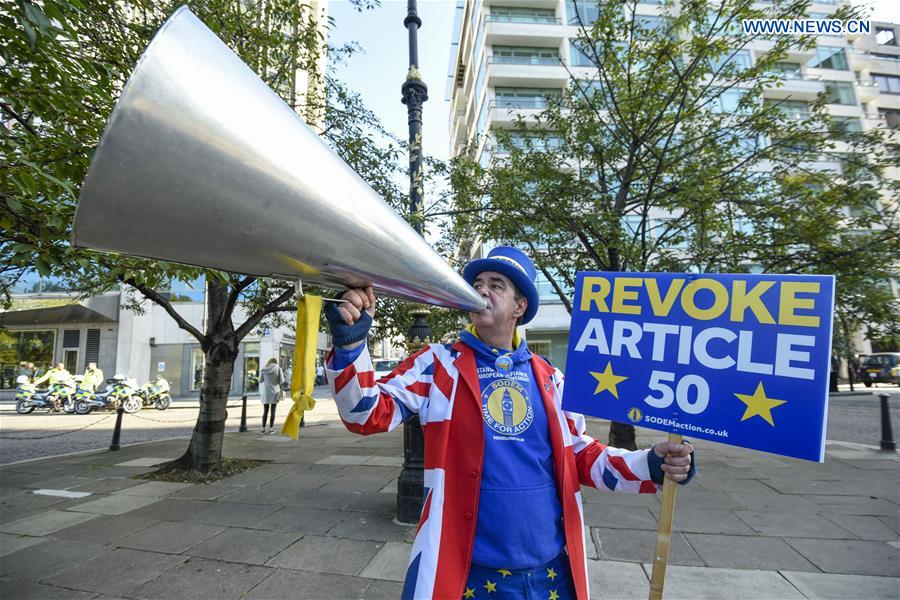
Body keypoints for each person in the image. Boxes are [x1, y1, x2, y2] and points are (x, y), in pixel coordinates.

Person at [324, 246, 696, 600]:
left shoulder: (551, 377)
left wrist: (651, 464)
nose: (482, 291)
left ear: (520, 306)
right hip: (466, 573)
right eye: (478, 284)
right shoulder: (438, 364)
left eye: (496, 285)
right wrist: (351, 347)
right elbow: (366, 414)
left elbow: (581, 455)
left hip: (550, 573)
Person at [258, 358, 284, 434]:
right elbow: (282, 381)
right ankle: (271, 429)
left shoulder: (263, 369)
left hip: (266, 392)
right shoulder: (278, 369)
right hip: (275, 392)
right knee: (273, 411)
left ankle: (262, 429)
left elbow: (260, 380)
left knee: (265, 411)